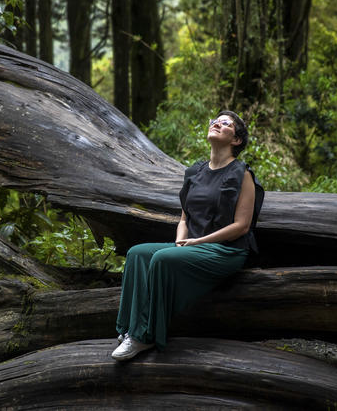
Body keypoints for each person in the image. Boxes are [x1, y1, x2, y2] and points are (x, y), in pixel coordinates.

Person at [112, 110, 264, 361]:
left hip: (226, 250)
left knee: (162, 259)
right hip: (192, 245)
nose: (216, 123)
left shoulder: (242, 174)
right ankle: (128, 329)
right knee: (137, 253)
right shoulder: (195, 172)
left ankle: (144, 336)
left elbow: (242, 227)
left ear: (236, 140)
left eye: (225, 123)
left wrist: (197, 242)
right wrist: (180, 242)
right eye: (215, 120)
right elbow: (184, 219)